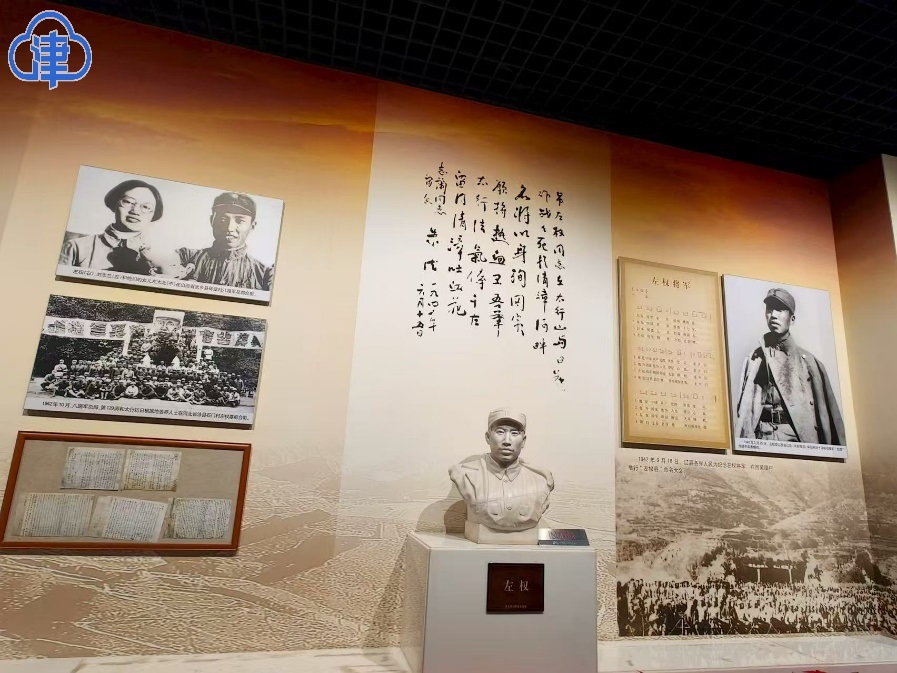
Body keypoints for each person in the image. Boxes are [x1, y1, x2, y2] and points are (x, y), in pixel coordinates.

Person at [734, 288, 845, 445]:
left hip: (796, 442)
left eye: (780, 309)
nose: (773, 315)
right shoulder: (754, 360)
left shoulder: (810, 363)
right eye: (769, 309)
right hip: (761, 440)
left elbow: (829, 418)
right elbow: (743, 414)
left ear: (792, 319)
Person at [449, 408, 554, 535]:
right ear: (488, 437)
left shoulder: (540, 480)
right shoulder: (465, 474)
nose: (507, 441)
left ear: (523, 441)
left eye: (514, 433)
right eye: (500, 432)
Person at [59, 179, 164, 273]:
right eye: (128, 202)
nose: (135, 211)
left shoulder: (162, 257)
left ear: (153, 215)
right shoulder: (76, 247)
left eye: (146, 207)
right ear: (114, 204)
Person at [174, 192, 274, 290]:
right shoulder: (186, 257)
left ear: (252, 226)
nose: (229, 228)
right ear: (212, 221)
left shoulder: (264, 275)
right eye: (222, 219)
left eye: (239, 221)